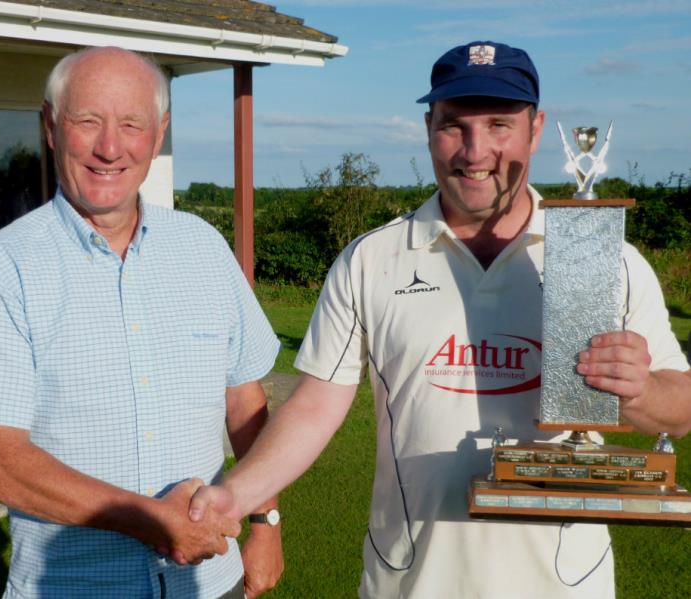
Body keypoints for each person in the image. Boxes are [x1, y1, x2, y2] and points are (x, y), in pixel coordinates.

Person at [189, 41, 691, 598]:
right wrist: (234, 496)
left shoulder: (607, 258)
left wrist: (640, 390)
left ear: (537, 127)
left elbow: (682, 405)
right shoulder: (371, 259)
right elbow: (312, 409)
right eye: (455, 126)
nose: (475, 152)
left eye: (500, 124)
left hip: (566, 586)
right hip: (410, 583)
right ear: (429, 128)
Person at [0, 46, 283, 599]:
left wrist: (265, 521)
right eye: (87, 121)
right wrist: (152, 521)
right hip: (74, 588)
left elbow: (245, 403)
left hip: (208, 580)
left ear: (159, 131)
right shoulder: (3, 268)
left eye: (131, 123)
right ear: (51, 126)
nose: (109, 147)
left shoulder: (203, 248)